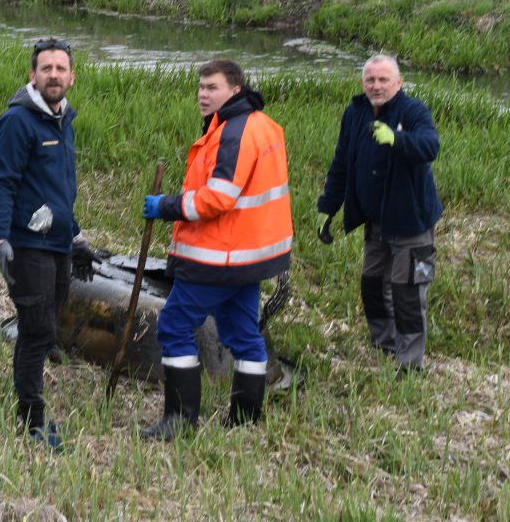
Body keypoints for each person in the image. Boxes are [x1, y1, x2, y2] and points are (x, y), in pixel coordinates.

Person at [140, 59, 293, 440]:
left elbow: (218, 198)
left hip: (219, 256)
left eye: (212, 88)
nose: (203, 95)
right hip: (250, 255)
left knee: (174, 326)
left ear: (235, 90)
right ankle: (245, 420)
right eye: (201, 87)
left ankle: (180, 420)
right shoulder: (262, 125)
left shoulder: (235, 132)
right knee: (243, 333)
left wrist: (166, 206)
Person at [0, 38, 100, 451]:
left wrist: (77, 236)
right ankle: (31, 420)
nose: (54, 74)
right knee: (36, 333)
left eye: (60, 68)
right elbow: (3, 183)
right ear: (32, 75)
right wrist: (0, 237)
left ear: (71, 76)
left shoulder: (63, 119)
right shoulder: (18, 121)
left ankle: (29, 401)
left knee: (47, 326)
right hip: (26, 243)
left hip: (57, 243)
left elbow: (60, 189)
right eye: (46, 68)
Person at [316, 54, 441, 375]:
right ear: (362, 83)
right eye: (370, 79)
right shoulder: (355, 112)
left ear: (399, 83)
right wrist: (328, 207)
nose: (376, 85)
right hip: (376, 222)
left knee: (408, 292)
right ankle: (384, 346)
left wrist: (397, 139)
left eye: (384, 79)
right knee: (371, 285)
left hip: (412, 223)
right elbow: (342, 162)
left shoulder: (413, 111)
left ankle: (410, 364)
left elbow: (430, 145)